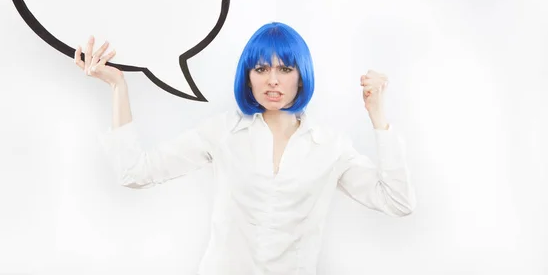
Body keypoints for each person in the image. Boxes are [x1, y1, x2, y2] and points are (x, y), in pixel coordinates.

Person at [74, 22, 416, 275]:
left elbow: (397, 202)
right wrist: (117, 85)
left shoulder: (330, 146)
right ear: (248, 76)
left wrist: (378, 117)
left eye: (285, 68)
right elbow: (135, 171)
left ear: (301, 76)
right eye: (261, 68)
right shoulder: (224, 131)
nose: (272, 80)